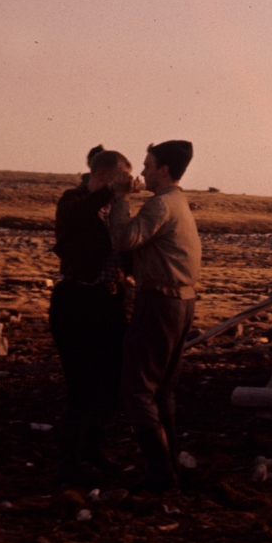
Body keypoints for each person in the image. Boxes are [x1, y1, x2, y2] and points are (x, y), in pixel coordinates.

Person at [109, 140, 201, 491]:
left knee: (136, 390)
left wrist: (120, 198)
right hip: (182, 302)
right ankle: (170, 465)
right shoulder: (176, 202)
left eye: (148, 166)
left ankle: (161, 473)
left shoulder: (161, 205)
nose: (143, 172)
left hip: (161, 303)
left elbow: (123, 239)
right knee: (163, 390)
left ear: (164, 171)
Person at [50, 148, 132, 484]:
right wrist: (111, 192)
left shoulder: (112, 208)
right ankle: (70, 463)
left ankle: (93, 451)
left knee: (110, 383)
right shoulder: (73, 199)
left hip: (109, 302)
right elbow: (79, 216)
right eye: (122, 178)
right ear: (108, 176)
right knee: (80, 386)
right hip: (77, 302)